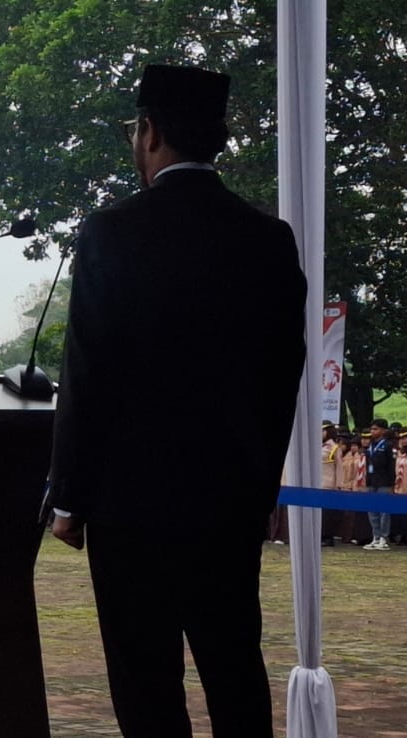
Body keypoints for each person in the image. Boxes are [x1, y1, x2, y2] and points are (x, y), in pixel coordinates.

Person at [46, 65, 306, 737]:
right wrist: (258, 489)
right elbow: (284, 375)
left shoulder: (112, 232)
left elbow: (87, 372)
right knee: (234, 674)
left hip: (129, 508)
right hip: (228, 503)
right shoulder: (267, 239)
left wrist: (69, 499)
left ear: (151, 132)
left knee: (146, 683)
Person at [362, 419, 397, 551]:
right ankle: (375, 537)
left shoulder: (388, 445)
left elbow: (391, 467)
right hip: (372, 481)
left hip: (384, 482)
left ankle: (384, 537)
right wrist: (367, 481)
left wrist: (391, 484)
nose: (372, 432)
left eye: (375, 429)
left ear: (383, 430)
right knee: (372, 510)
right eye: (372, 429)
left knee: (384, 511)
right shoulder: (370, 446)